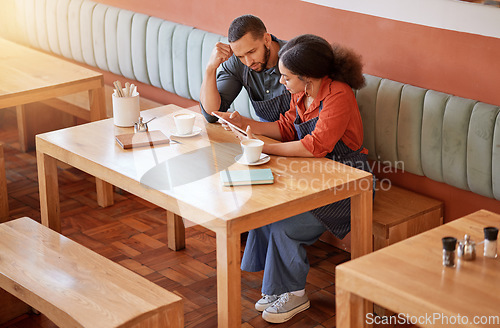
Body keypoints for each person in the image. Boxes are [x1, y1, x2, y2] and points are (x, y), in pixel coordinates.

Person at [213, 34, 373, 324]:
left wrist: (264, 147)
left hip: (349, 183)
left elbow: (316, 145)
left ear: (307, 77)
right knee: (267, 213)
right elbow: (287, 127)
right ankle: (278, 288)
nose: (282, 82)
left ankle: (295, 293)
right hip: (311, 175)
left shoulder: (339, 94)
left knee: (286, 224)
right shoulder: (301, 92)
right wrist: (244, 125)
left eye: (286, 77)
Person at [199, 14, 290, 123]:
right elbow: (212, 114)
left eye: (251, 52)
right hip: (262, 137)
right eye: (240, 56)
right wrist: (210, 68)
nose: (248, 62)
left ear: (267, 39)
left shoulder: (295, 59)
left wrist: (244, 123)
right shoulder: (237, 63)